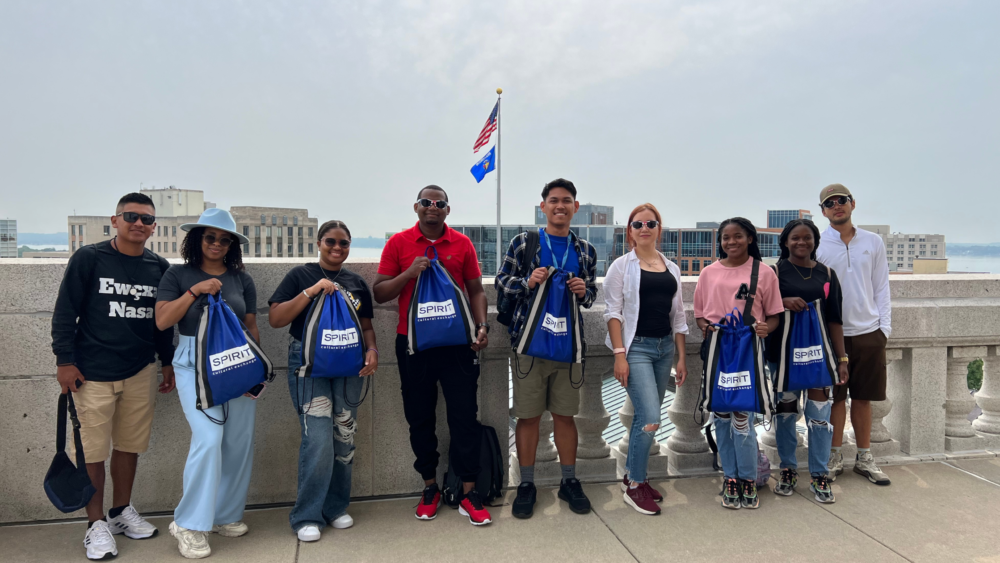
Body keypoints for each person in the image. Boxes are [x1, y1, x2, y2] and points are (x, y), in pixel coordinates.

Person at [51, 192, 175, 560]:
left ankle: (121, 511)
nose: (139, 223)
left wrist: (166, 362)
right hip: (91, 372)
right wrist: (64, 361)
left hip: (140, 369)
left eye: (147, 219)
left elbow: (162, 324)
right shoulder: (89, 258)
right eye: (131, 216)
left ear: (153, 228)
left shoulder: (160, 267)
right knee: (91, 450)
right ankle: (96, 524)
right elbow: (65, 312)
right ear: (115, 220)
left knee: (129, 444)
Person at [373, 185, 492, 526]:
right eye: (427, 202)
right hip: (413, 346)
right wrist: (410, 272)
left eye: (439, 204)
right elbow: (380, 292)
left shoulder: (462, 244)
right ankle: (429, 487)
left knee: (464, 418)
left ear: (447, 211)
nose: (433, 208)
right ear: (416, 207)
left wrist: (482, 325)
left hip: (458, 346)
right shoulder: (398, 243)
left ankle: (469, 491)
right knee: (420, 418)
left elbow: (476, 290)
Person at [155, 208, 259, 559]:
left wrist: (254, 371)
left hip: (237, 361)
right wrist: (195, 291)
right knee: (209, 438)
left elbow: (250, 326)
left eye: (224, 238)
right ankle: (189, 523)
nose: (216, 243)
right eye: (210, 236)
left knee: (238, 442)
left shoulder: (241, 278)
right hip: (192, 362)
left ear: (232, 244)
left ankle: (224, 515)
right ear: (197, 238)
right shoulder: (178, 274)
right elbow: (162, 321)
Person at [268, 220, 378, 542]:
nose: (337, 248)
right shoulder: (300, 275)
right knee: (316, 439)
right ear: (318, 243)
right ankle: (306, 515)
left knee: (344, 436)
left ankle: (335, 507)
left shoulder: (356, 282)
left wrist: (371, 349)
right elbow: (276, 319)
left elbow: (367, 326)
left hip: (349, 365)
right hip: (308, 366)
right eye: (330, 241)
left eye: (344, 243)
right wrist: (311, 290)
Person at [496, 178, 599, 519]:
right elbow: (502, 280)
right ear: (543, 207)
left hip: (569, 347)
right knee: (527, 417)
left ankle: (568, 481)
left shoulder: (585, 249)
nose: (560, 206)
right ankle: (527, 484)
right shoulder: (525, 242)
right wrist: (529, 282)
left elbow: (591, 297)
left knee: (565, 416)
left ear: (575, 207)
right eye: (553, 200)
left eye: (566, 200)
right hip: (530, 343)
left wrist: (584, 291)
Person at [602, 203, 688, 515]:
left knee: (645, 416)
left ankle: (634, 477)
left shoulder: (671, 267)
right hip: (636, 348)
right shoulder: (621, 267)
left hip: (665, 348)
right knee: (651, 416)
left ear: (658, 229)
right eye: (637, 224)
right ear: (630, 232)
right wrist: (619, 355)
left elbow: (678, 316)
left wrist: (681, 357)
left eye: (650, 223)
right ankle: (635, 487)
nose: (644, 228)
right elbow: (612, 312)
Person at [693, 217, 783, 510]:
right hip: (718, 350)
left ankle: (747, 478)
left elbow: (774, 315)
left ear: (750, 239)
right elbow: (700, 314)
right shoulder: (708, 273)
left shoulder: (765, 273)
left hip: (748, 350)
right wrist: (707, 326)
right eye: (725, 238)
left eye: (737, 237)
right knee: (720, 415)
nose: (731, 242)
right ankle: (729, 476)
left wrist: (765, 328)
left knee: (742, 418)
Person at [764, 219, 849, 503]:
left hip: (818, 356)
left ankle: (819, 475)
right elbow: (761, 309)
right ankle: (787, 469)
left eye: (807, 238)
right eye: (795, 238)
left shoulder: (827, 274)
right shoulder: (773, 273)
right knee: (786, 413)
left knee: (820, 416)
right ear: (785, 242)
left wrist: (842, 359)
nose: (802, 243)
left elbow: (835, 319)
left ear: (815, 242)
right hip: (782, 355)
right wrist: (783, 301)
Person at [815, 183, 892, 486]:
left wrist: (883, 330)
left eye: (842, 200)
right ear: (823, 211)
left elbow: (881, 287)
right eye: (830, 203)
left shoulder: (872, 242)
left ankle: (864, 457)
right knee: (835, 398)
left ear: (853, 204)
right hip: (833, 334)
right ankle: (834, 456)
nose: (837, 206)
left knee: (863, 398)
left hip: (869, 332)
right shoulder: (819, 244)